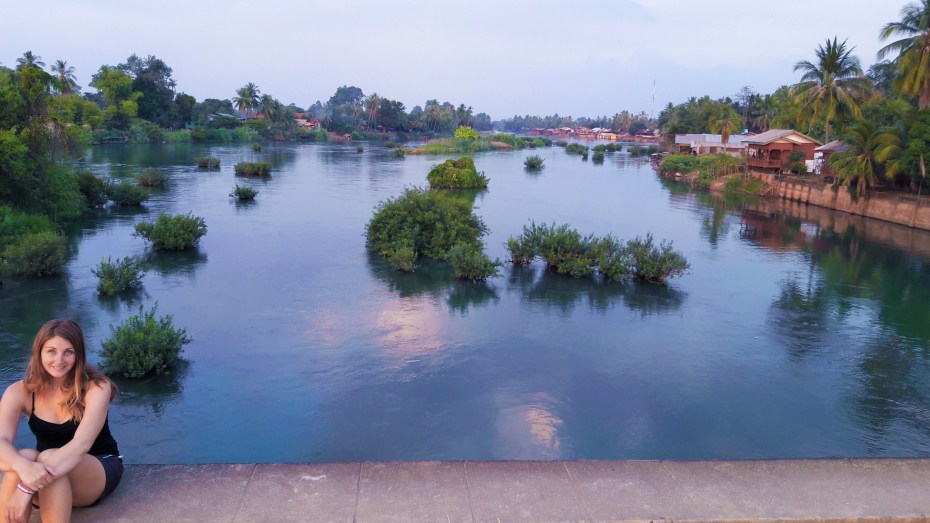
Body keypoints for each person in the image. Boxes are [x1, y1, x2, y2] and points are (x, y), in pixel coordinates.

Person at [0, 319, 122, 523]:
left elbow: (81, 444)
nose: (59, 359)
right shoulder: (19, 391)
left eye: (68, 351)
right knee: (25, 457)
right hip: (45, 473)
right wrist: (22, 466)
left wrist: (26, 486)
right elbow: (1, 439)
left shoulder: (97, 387)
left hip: (95, 470)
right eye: (51, 351)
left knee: (47, 460)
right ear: (39, 352)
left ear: (78, 355)